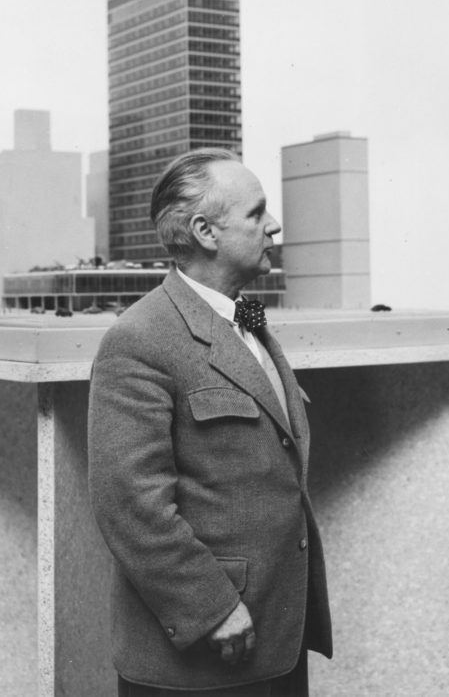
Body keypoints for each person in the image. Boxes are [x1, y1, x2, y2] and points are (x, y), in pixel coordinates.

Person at [88, 149, 332, 696]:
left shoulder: (245, 315)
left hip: (273, 635)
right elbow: (129, 502)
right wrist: (211, 609)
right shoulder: (140, 337)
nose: (273, 225)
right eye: (256, 213)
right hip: (205, 650)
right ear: (204, 231)